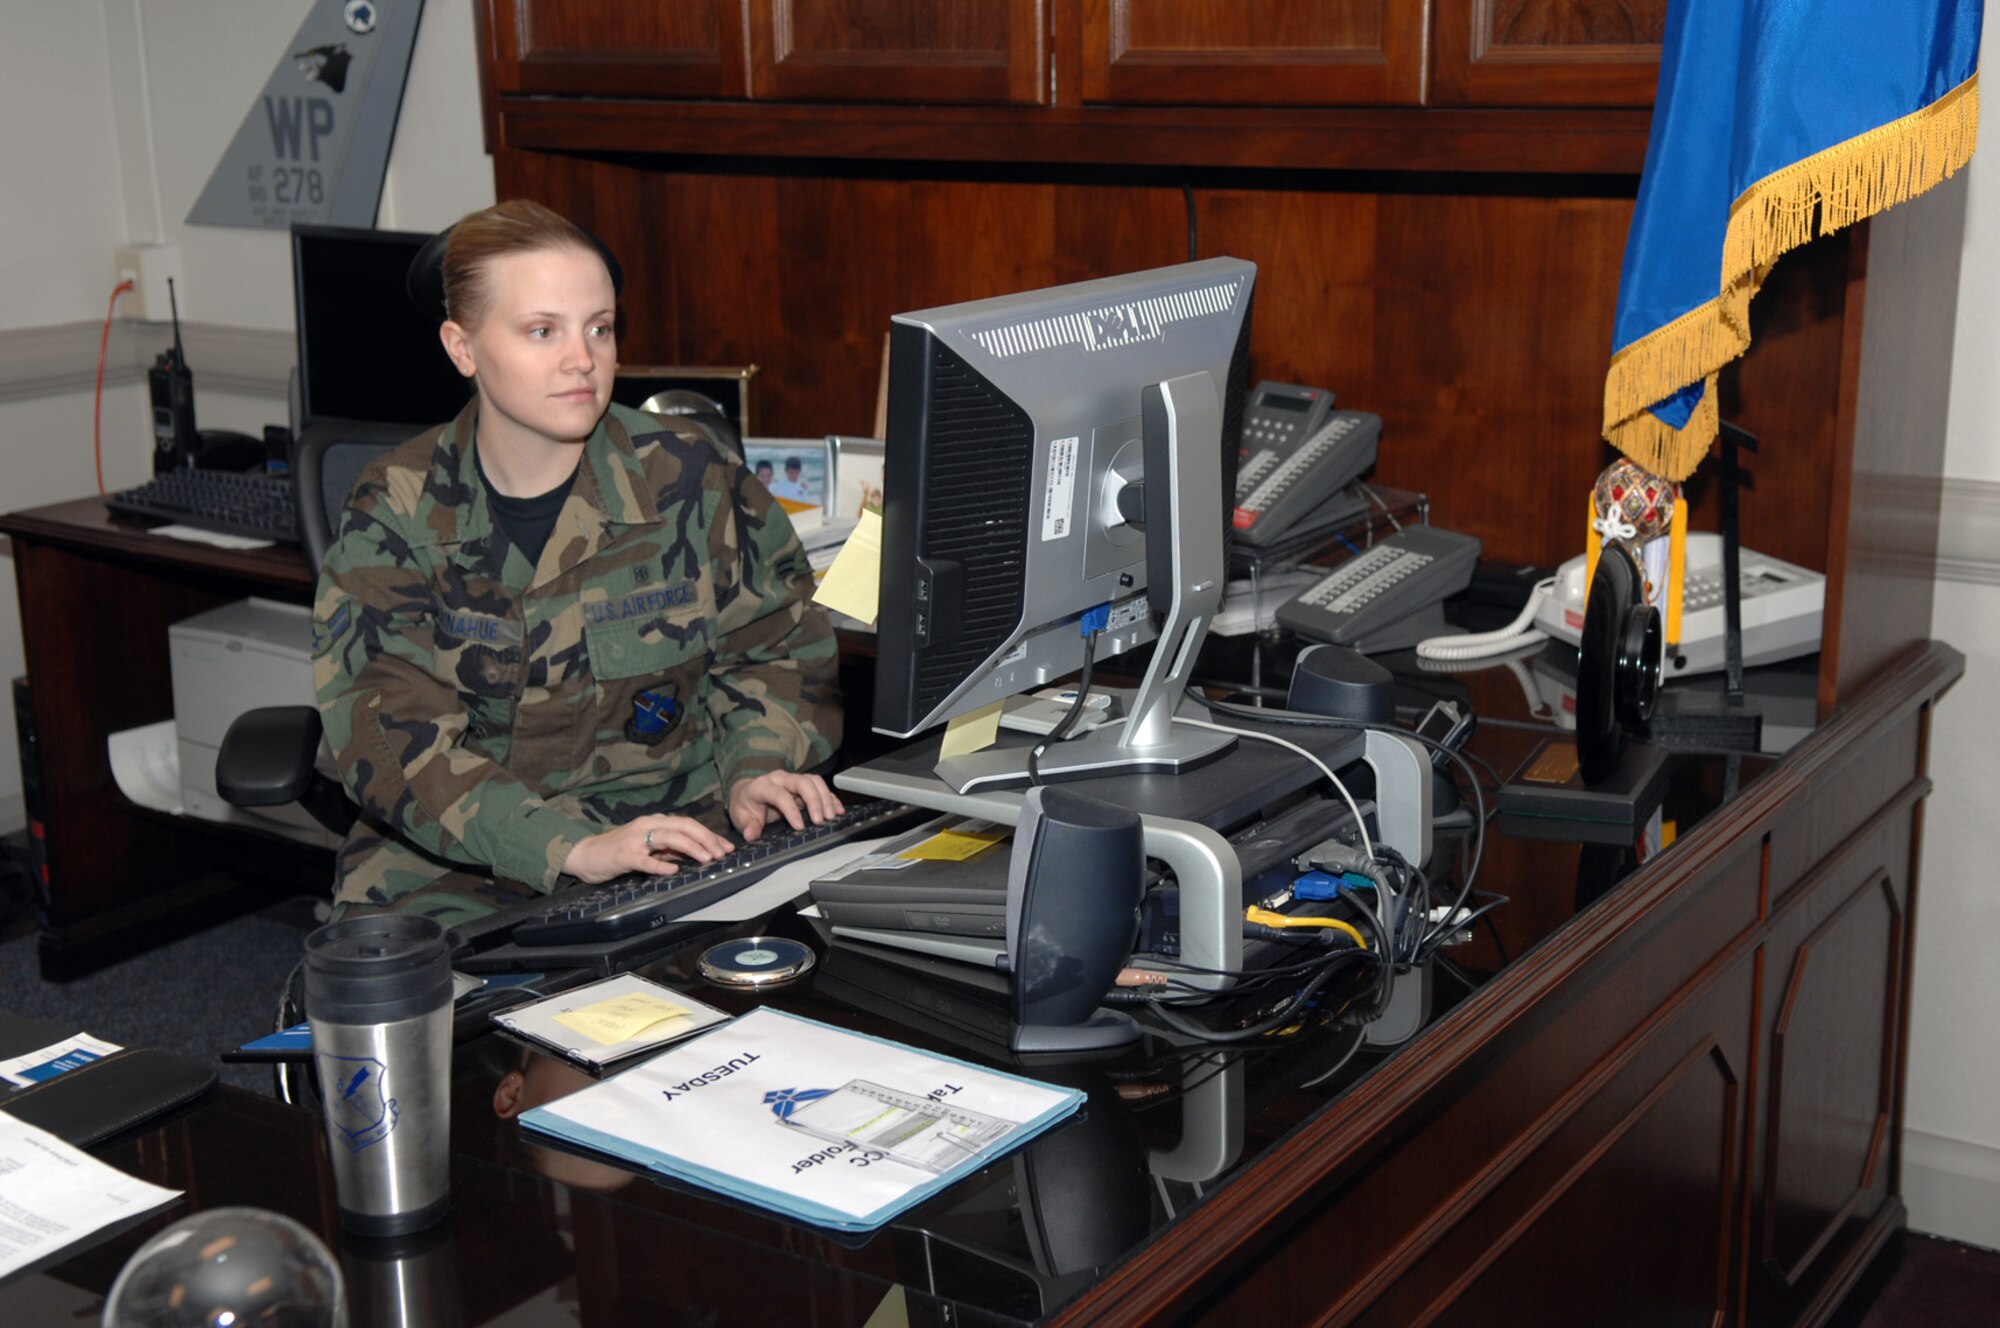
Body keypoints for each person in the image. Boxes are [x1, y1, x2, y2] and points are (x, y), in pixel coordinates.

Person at [312, 199, 844, 923]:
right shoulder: (397, 509)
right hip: (456, 865)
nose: (581, 360)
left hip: (678, 837)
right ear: (461, 348)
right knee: (438, 1019)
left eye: (600, 328)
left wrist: (754, 770)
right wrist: (570, 847)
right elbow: (390, 739)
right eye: (542, 331)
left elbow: (776, 651)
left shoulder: (689, 475)